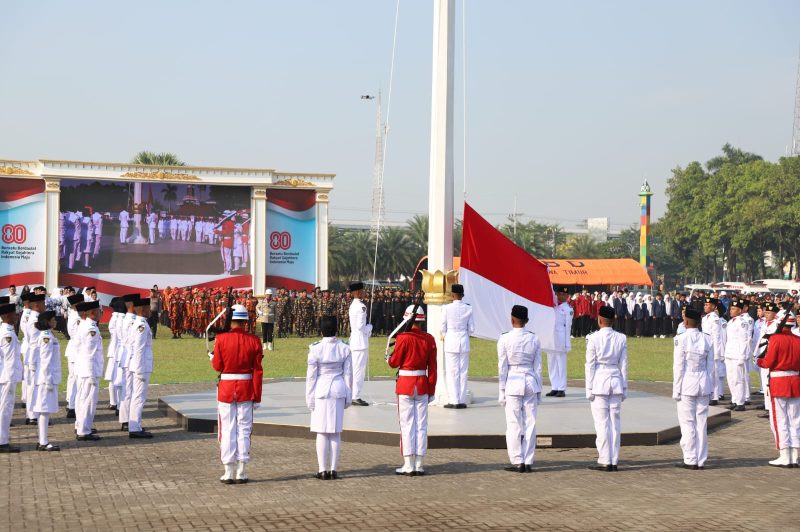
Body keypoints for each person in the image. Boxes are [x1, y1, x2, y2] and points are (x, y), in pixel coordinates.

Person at [211, 304, 263, 484]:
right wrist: (257, 395)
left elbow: (217, 366)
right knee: (244, 429)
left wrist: (212, 357)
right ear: (245, 321)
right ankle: (242, 470)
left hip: (226, 388)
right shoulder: (254, 341)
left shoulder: (221, 339)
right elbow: (258, 370)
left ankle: (228, 470)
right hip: (246, 387)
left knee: (226, 429)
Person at [387, 304, 437, 476]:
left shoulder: (403, 338)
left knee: (407, 425)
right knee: (421, 425)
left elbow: (394, 362)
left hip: (405, 385)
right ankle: (419, 463)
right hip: (422, 384)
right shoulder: (429, 339)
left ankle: (408, 463)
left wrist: (388, 358)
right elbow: (433, 368)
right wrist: (431, 390)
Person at [305, 316, 352, 480]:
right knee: (335, 431)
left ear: (321, 330)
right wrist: (349, 395)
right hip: (339, 388)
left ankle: (322, 469)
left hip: (321, 389)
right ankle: (333, 469)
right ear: (336, 329)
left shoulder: (315, 348)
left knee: (322, 432)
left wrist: (309, 397)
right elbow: (348, 374)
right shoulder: (344, 348)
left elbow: (311, 376)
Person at [497, 305, 541, 473]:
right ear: (527, 321)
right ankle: (528, 460)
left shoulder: (505, 338)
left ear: (512, 319)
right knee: (530, 422)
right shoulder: (534, 338)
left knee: (513, 423)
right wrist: (539, 390)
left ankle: (517, 460)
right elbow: (538, 367)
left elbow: (502, 367)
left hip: (513, 380)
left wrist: (501, 391)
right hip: (530, 380)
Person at [585, 305, 628, 472]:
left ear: (599, 319)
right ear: (613, 320)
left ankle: (605, 459)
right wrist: (624, 387)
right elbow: (623, 365)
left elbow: (590, 365)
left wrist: (588, 388)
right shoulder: (621, 338)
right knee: (615, 424)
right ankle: (614, 459)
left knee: (602, 424)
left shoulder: (593, 338)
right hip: (616, 380)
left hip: (600, 381)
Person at [756, 312, 800, 467]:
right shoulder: (798, 340)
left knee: (780, 419)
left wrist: (759, 361)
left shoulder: (775, 339)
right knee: (795, 419)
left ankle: (784, 454)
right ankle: (794, 456)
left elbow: (768, 362)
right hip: (795, 381)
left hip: (779, 381)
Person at [672, 307, 714, 470]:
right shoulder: (707, 339)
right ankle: (701, 459)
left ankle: (690, 459)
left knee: (688, 422)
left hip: (687, 382)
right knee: (701, 423)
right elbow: (711, 367)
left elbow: (678, 367)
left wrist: (676, 389)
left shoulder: (680, 339)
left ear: (687, 321)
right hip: (703, 381)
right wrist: (711, 387)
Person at [30, 311, 61, 451]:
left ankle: (43, 441)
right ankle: (43, 442)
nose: (55, 321)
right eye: (53, 319)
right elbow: (45, 360)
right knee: (44, 410)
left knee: (45, 410)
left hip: (45, 377)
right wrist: (47, 380)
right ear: (47, 322)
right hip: (45, 378)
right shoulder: (46, 337)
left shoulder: (47, 335)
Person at [441, 284, 475, 409]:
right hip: (463, 341)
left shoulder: (446, 308)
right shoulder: (468, 308)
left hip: (451, 340)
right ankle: (461, 400)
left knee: (452, 372)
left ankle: (453, 400)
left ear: (452, 295)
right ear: (462, 295)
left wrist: (445, 335)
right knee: (463, 372)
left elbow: (442, 326)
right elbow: (471, 328)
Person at [74, 300, 103, 441]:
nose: (100, 313)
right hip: (89, 369)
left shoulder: (84, 325)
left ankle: (81, 425)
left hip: (83, 368)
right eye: (98, 311)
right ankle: (84, 431)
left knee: (82, 399)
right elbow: (89, 352)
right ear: (92, 313)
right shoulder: (91, 328)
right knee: (88, 401)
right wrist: (92, 373)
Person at [128, 297, 154, 439]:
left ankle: (135, 425)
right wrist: (139, 369)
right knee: (139, 397)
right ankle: (135, 428)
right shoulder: (141, 325)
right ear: (143, 310)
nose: (150, 310)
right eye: (148, 308)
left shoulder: (140, 323)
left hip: (140, 364)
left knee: (137, 396)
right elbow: (138, 348)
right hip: (141, 365)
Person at [0, 302, 22, 453]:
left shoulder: (6, 331)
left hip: (6, 375)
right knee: (5, 408)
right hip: (7, 375)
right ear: (7, 316)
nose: (17, 315)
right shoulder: (7, 334)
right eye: (15, 313)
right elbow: (8, 359)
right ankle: (2, 441)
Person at [724, 298, 751, 412]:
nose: (731, 310)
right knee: (731, 379)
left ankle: (740, 403)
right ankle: (734, 400)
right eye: (730, 308)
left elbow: (745, 340)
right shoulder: (730, 322)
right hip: (729, 354)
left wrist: (742, 356)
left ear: (740, 311)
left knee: (738, 379)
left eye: (733, 309)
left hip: (737, 355)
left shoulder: (742, 323)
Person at [348, 282, 373, 406]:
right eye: (363, 291)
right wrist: (369, 328)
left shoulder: (353, 305)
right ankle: (355, 396)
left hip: (354, 341)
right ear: (358, 292)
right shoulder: (361, 307)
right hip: (360, 343)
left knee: (354, 370)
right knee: (359, 371)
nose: (364, 292)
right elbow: (360, 326)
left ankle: (352, 394)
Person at [546, 287, 572, 398]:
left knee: (561, 364)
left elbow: (568, 328)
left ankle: (561, 388)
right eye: (559, 294)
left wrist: (567, 343)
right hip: (551, 338)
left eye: (563, 294)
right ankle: (554, 387)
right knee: (551, 363)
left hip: (561, 339)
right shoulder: (554, 306)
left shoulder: (568, 309)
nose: (561, 296)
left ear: (567, 296)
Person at [702, 297, 727, 405]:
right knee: (708, 372)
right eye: (705, 305)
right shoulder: (705, 318)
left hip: (713, 349)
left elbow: (717, 337)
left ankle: (715, 396)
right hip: (706, 348)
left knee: (714, 373)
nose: (705, 306)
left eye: (708, 305)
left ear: (713, 307)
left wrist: (717, 352)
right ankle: (709, 393)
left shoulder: (714, 318)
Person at [64, 293, 84, 418]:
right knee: (75, 379)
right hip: (76, 350)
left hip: (75, 349)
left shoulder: (75, 315)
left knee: (73, 378)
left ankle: (72, 405)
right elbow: (77, 335)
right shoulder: (76, 317)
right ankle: (72, 406)